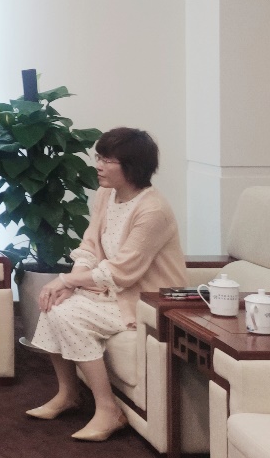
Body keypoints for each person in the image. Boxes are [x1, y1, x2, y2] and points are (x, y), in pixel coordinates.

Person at [26, 127, 185, 441]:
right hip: (111, 290)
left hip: (146, 300)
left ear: (132, 167)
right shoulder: (106, 194)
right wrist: (71, 283)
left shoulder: (152, 210)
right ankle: (68, 394)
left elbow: (122, 271)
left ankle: (108, 410)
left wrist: (67, 279)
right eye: (98, 157)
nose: (98, 166)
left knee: (68, 315)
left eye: (107, 160)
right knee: (53, 303)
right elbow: (90, 244)